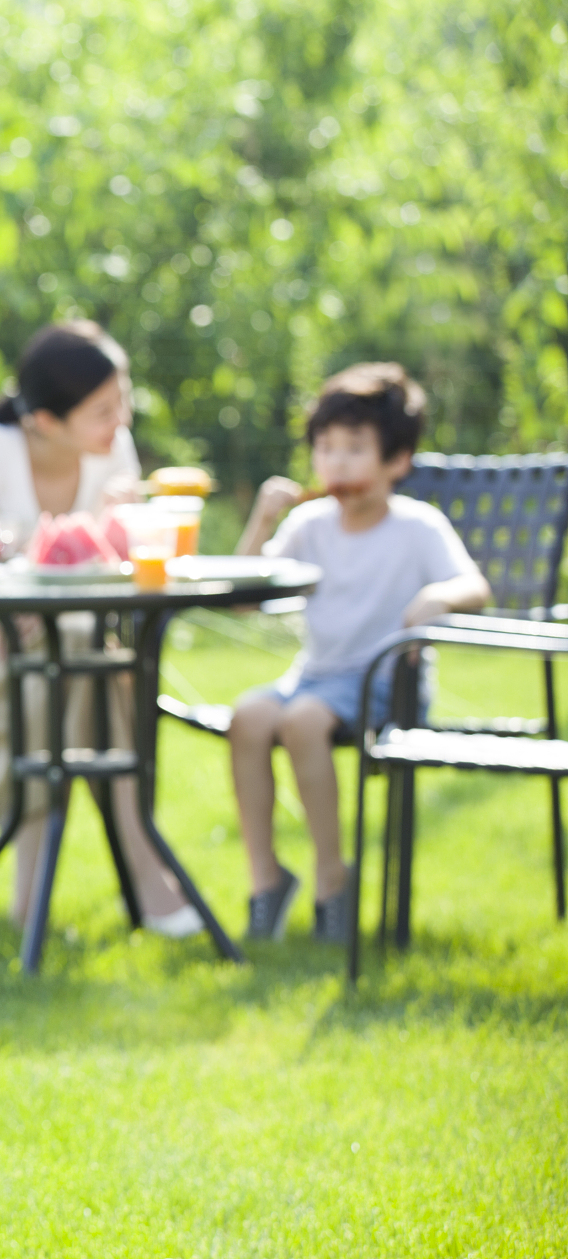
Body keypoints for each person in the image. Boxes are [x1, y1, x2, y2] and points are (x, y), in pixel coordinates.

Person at [0, 322, 201, 935]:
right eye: (104, 409)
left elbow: (120, 559)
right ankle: (141, 861)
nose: (122, 420)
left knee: (79, 662)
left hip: (55, 650)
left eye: (124, 400)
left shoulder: (114, 452)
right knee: (87, 666)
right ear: (47, 420)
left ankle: (35, 903)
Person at [227, 363, 489, 942]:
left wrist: (434, 597)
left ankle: (332, 877)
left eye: (354, 448)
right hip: (314, 674)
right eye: (325, 448)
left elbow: (475, 587)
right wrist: (262, 519)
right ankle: (265, 878)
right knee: (247, 717)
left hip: (383, 681)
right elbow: (246, 597)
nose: (336, 462)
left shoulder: (417, 526)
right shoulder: (308, 524)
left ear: (397, 460)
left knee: (300, 721)